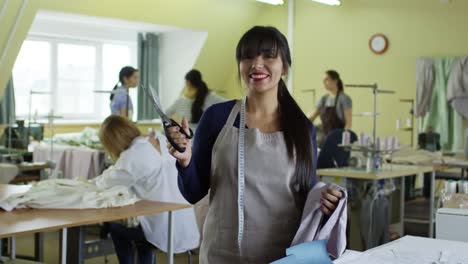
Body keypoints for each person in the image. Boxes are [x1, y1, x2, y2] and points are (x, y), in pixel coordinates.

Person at [166, 26, 343, 263]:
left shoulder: (301, 127)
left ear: (285, 67)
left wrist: (326, 199)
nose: (256, 64)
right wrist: (186, 161)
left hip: (283, 256)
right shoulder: (217, 117)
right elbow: (193, 192)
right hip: (222, 253)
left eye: (268, 55)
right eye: (248, 56)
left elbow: (307, 195)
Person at [94, 115, 199, 264]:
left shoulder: (132, 156)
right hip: (184, 223)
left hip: (162, 228)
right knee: (142, 229)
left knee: (116, 228)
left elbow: (106, 183)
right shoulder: (161, 139)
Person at [309, 70, 352, 139]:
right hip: (323, 139)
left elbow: (348, 123)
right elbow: (311, 118)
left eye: (326, 79)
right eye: (323, 80)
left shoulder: (344, 99)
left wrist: (343, 139)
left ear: (335, 81)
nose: (324, 82)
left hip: (338, 139)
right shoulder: (323, 99)